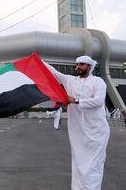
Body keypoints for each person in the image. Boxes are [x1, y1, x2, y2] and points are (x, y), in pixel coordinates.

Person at [45, 55, 110, 190]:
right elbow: (54, 73)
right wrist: (38, 61)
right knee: (78, 164)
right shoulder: (71, 81)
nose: (78, 67)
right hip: (78, 132)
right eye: (77, 64)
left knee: (94, 166)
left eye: (81, 64)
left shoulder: (98, 82)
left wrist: (75, 100)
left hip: (97, 132)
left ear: (89, 67)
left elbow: (98, 101)